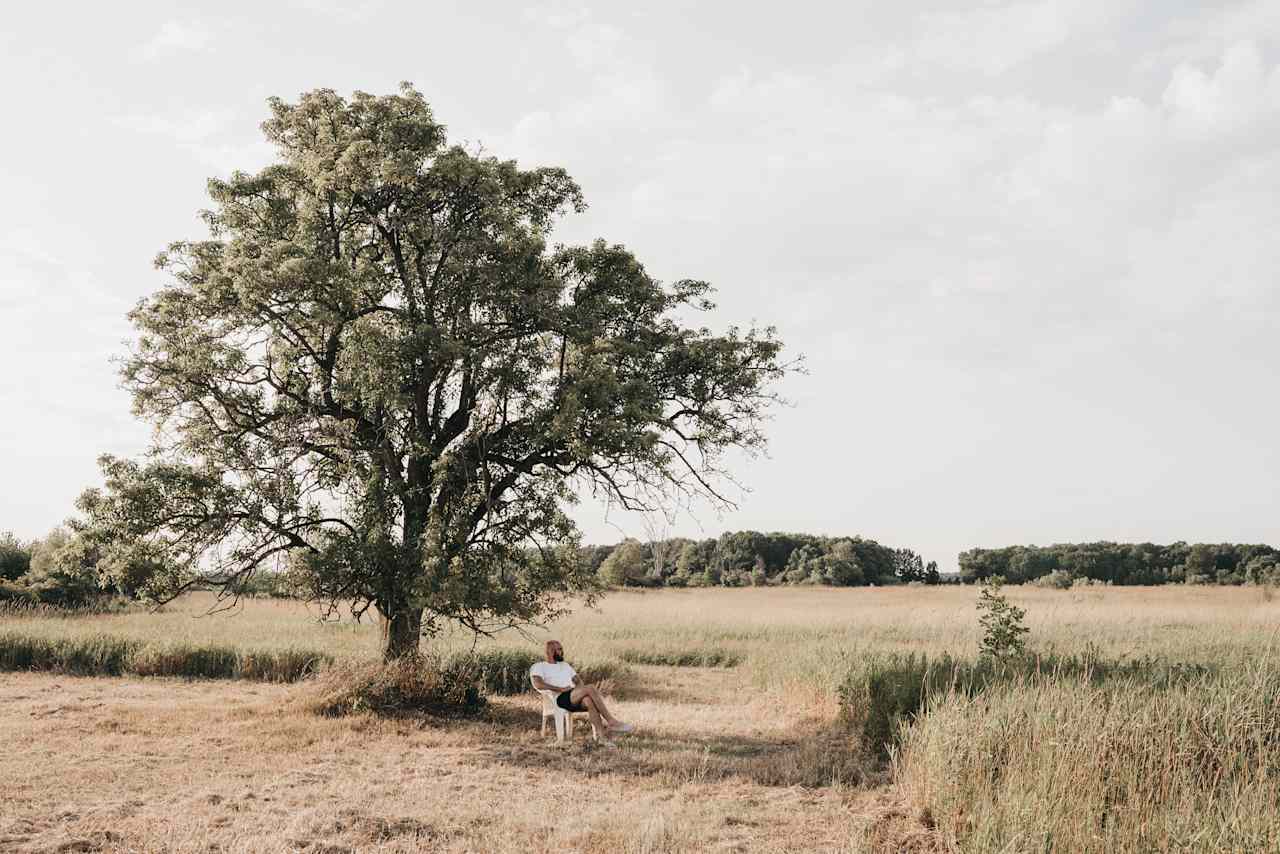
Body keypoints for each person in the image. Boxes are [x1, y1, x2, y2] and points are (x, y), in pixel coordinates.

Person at [530, 640, 634, 742]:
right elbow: (538, 684)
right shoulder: (540, 666)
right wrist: (560, 689)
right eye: (560, 649)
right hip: (558, 698)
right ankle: (611, 721)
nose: (562, 651)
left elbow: (578, 681)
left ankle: (602, 738)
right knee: (590, 688)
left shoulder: (565, 665)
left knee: (589, 700)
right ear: (551, 651)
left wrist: (579, 692)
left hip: (572, 695)